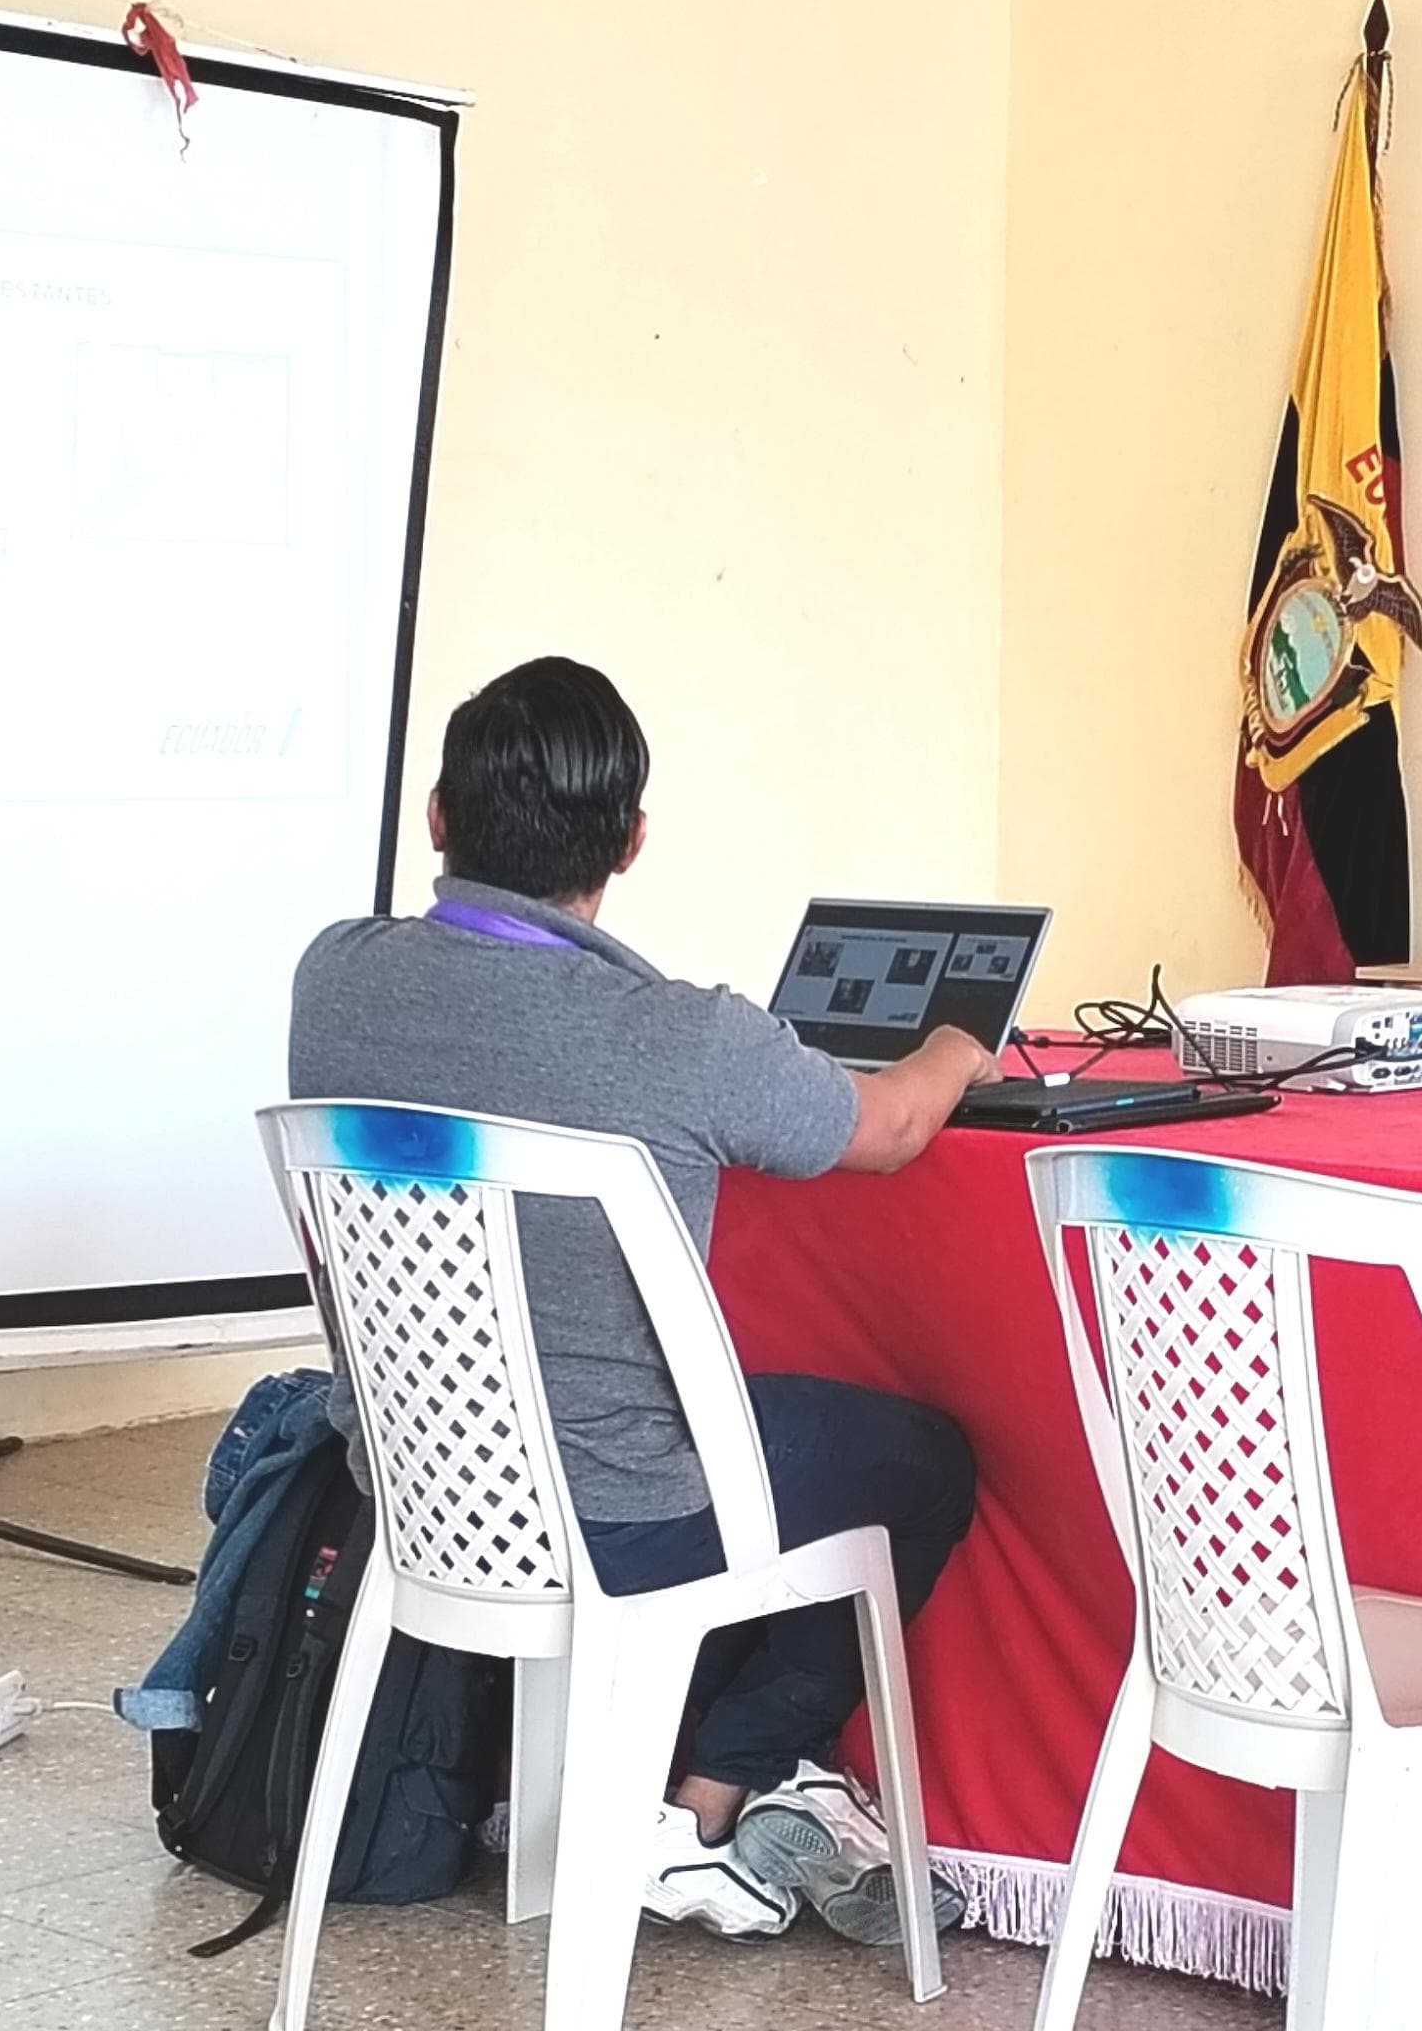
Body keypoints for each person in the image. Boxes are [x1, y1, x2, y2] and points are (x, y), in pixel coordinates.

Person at [285, 656, 982, 1945]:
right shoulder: (684, 1035)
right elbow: (887, 1129)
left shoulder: (332, 975)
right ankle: (710, 1797)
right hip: (623, 1519)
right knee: (925, 1460)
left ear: (437, 815)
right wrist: (956, 1042)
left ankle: (706, 1795)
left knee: (765, 1428)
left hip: (416, 1489)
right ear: (632, 840)